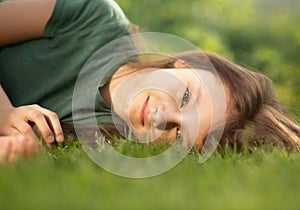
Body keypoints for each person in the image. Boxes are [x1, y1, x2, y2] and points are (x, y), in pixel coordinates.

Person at [0, 0, 299, 161]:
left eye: (180, 136)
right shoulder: (91, 15)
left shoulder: (103, 147)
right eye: (185, 97)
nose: (161, 117)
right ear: (185, 64)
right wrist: (5, 112)